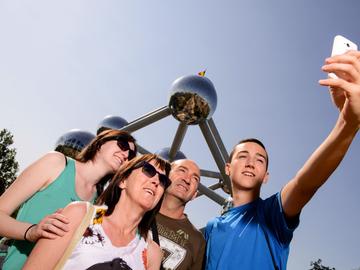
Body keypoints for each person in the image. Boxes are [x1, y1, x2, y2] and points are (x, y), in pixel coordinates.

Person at [204, 50, 360, 270]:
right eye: (243, 156)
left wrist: (348, 123)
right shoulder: (212, 227)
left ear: (266, 176)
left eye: (260, 160)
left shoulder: (271, 214)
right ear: (227, 168)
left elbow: (304, 184)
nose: (250, 162)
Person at [0, 129, 137, 269]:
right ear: (100, 143)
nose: (126, 154)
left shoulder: (99, 205)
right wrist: (31, 231)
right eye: (122, 145)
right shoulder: (56, 163)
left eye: (131, 155)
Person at [23, 154, 171, 270]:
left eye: (164, 180)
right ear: (123, 181)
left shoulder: (151, 252)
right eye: (148, 170)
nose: (156, 180)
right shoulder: (82, 215)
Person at [155, 159, 206, 270]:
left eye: (195, 178)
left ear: (194, 195)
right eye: (182, 170)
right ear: (166, 176)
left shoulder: (198, 240)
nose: (187, 179)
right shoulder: (139, 210)